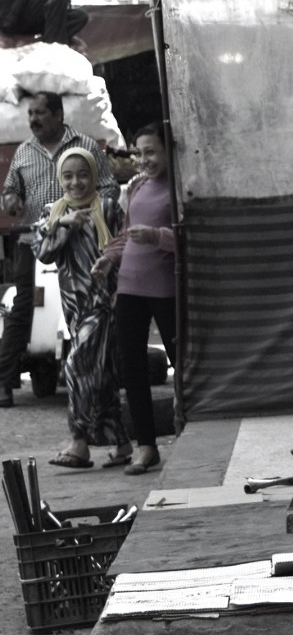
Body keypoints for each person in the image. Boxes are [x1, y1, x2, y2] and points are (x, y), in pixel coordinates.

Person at [1, 90, 117, 407]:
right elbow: (9, 191)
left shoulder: (85, 145)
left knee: (89, 306)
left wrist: (85, 214)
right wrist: (11, 201)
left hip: (81, 243)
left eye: (40, 113)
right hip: (34, 242)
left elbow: (108, 188)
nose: (34, 120)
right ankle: (4, 381)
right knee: (24, 306)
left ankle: (98, 375)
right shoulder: (24, 151)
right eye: (30, 114)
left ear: (58, 114)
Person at [31, 148, 129, 468]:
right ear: (60, 178)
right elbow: (42, 253)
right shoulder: (52, 213)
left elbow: (127, 250)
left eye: (83, 174)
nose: (76, 182)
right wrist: (64, 224)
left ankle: (79, 442)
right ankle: (122, 443)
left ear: (94, 175)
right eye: (68, 176)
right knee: (100, 375)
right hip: (74, 309)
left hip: (105, 304)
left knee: (75, 367)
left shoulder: (110, 208)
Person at [93, 124, 175, 475]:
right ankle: (146, 446)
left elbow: (187, 238)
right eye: (139, 153)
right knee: (132, 369)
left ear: (168, 150)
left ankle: (189, 429)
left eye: (151, 152)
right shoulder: (138, 185)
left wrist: (157, 235)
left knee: (180, 363)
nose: (144, 160)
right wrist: (109, 257)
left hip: (165, 289)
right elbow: (127, 233)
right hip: (129, 287)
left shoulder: (179, 188)